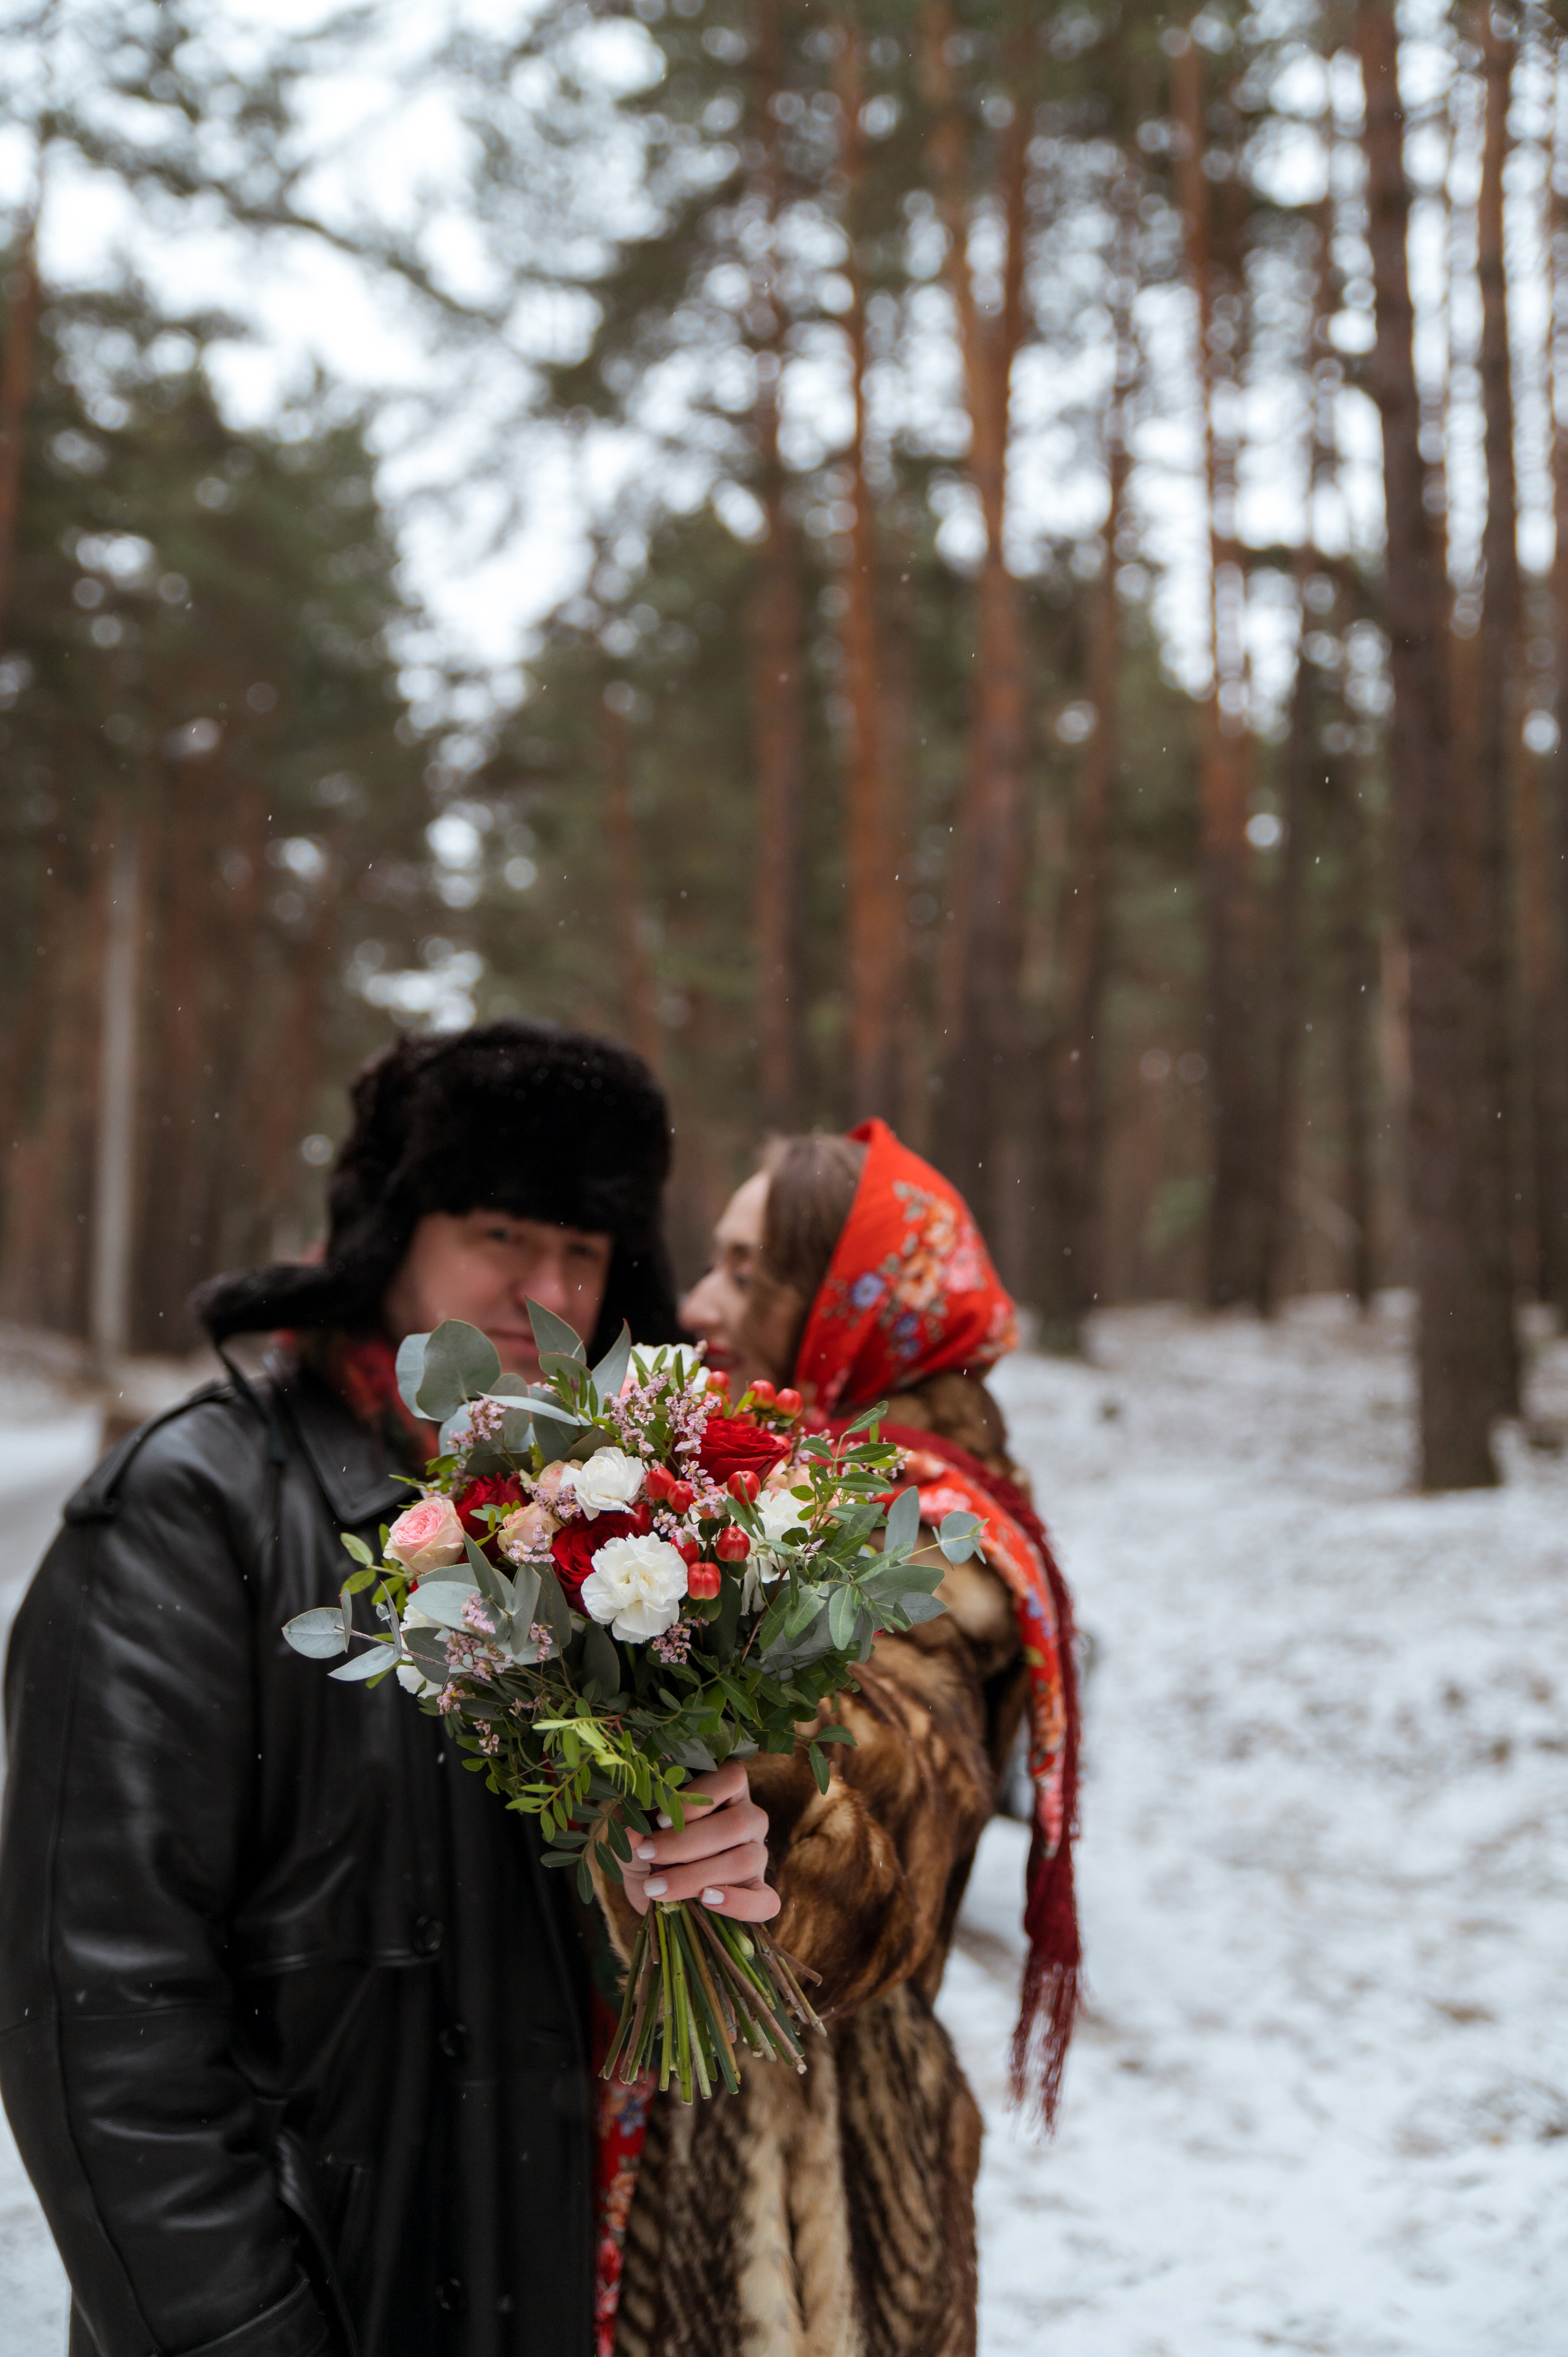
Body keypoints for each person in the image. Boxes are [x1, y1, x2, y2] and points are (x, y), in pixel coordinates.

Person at [0, 1020, 773, 2357]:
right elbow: (101, 2018)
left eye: (583, 1251)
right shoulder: (192, 1513)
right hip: (318, 2307)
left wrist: (704, 1866)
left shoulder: (606, 1546)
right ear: (392, 1235)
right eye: (499, 1233)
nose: (545, 1289)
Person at [593, 1118, 1080, 2357]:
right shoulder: (789, 1475)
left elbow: (909, 1763)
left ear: (844, 1308)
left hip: (809, 2197)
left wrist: (772, 1806)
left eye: (746, 1270)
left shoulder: (923, 1526)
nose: (700, 1304)